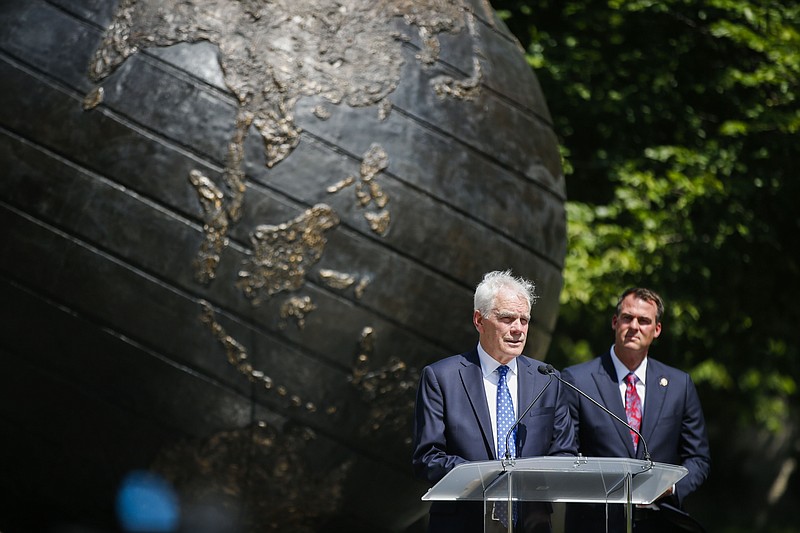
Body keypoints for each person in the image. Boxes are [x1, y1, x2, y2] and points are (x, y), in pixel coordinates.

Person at [412, 270, 576, 533]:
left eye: (524, 320)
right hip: (462, 523)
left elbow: (564, 455)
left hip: (532, 524)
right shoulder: (441, 378)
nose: (518, 329)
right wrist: (490, 476)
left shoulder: (547, 379)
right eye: (507, 318)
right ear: (479, 320)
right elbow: (428, 458)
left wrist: (526, 480)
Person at [561, 288, 711, 533]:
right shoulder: (577, 381)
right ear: (614, 322)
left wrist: (670, 487)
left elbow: (698, 459)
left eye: (644, 321)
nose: (634, 326)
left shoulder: (679, 385)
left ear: (657, 330)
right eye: (627, 318)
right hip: (596, 522)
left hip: (661, 522)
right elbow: (564, 454)